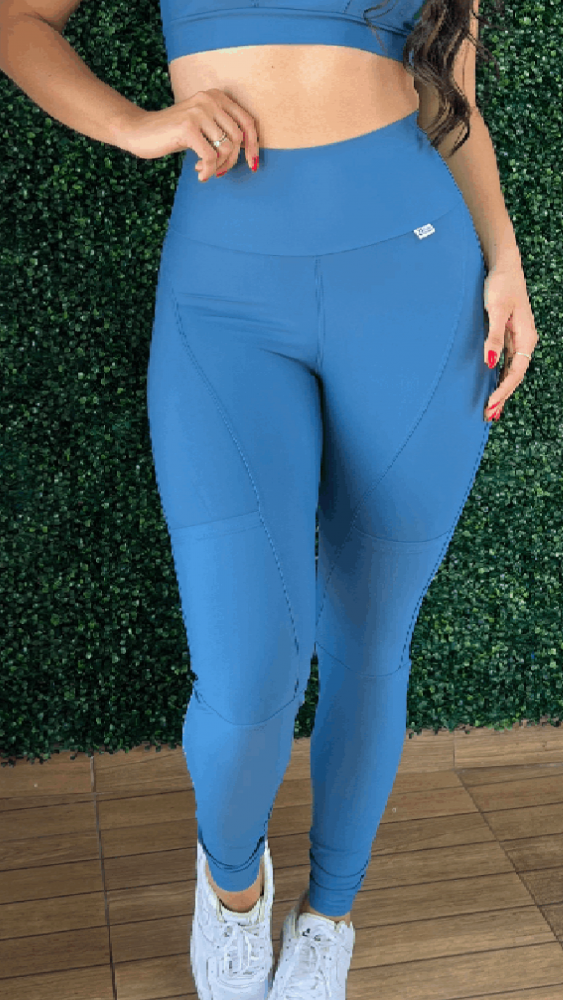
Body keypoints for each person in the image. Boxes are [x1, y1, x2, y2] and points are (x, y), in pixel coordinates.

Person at [0, 0, 538, 996]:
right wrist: (133, 125)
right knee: (245, 680)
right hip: (224, 300)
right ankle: (232, 889)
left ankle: (328, 916)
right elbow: (17, 20)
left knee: (369, 641)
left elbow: (451, 101)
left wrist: (504, 259)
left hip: (419, 282)